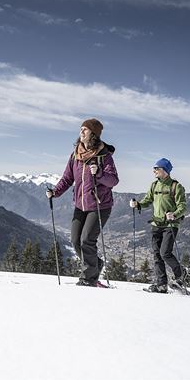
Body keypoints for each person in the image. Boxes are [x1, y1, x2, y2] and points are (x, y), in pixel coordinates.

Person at [46, 118, 119, 286]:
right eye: (81, 129)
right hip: (80, 205)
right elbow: (67, 178)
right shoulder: (75, 155)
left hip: (100, 206)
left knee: (87, 239)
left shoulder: (104, 156)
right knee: (75, 240)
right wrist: (55, 192)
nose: (81, 132)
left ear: (93, 134)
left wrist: (99, 173)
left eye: (85, 129)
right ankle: (96, 264)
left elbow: (113, 181)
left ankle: (88, 278)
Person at [130, 158, 187, 293]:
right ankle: (161, 285)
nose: (154, 171)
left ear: (165, 170)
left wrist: (175, 214)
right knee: (157, 255)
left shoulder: (176, 186)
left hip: (170, 224)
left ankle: (181, 273)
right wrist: (138, 204)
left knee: (165, 252)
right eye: (154, 168)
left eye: (157, 168)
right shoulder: (154, 185)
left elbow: (183, 206)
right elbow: (148, 200)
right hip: (156, 224)